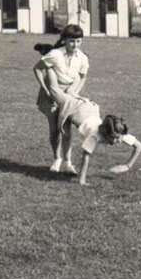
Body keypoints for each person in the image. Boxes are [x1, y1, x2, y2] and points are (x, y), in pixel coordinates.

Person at [45, 68, 141, 186]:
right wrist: (82, 181)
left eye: (118, 138)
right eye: (114, 138)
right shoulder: (95, 136)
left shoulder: (119, 132)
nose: (117, 141)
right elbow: (86, 157)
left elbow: (139, 146)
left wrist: (127, 166)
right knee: (54, 90)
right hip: (76, 109)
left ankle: (74, 75)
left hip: (90, 108)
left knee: (70, 92)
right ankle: (49, 63)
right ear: (105, 133)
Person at [33, 24, 89, 173]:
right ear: (64, 40)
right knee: (54, 130)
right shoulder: (55, 54)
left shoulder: (82, 58)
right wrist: (46, 90)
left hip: (69, 96)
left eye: (78, 41)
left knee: (66, 129)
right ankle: (57, 159)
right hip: (51, 93)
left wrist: (75, 92)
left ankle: (68, 162)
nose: (75, 45)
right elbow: (37, 68)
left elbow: (83, 76)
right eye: (71, 41)